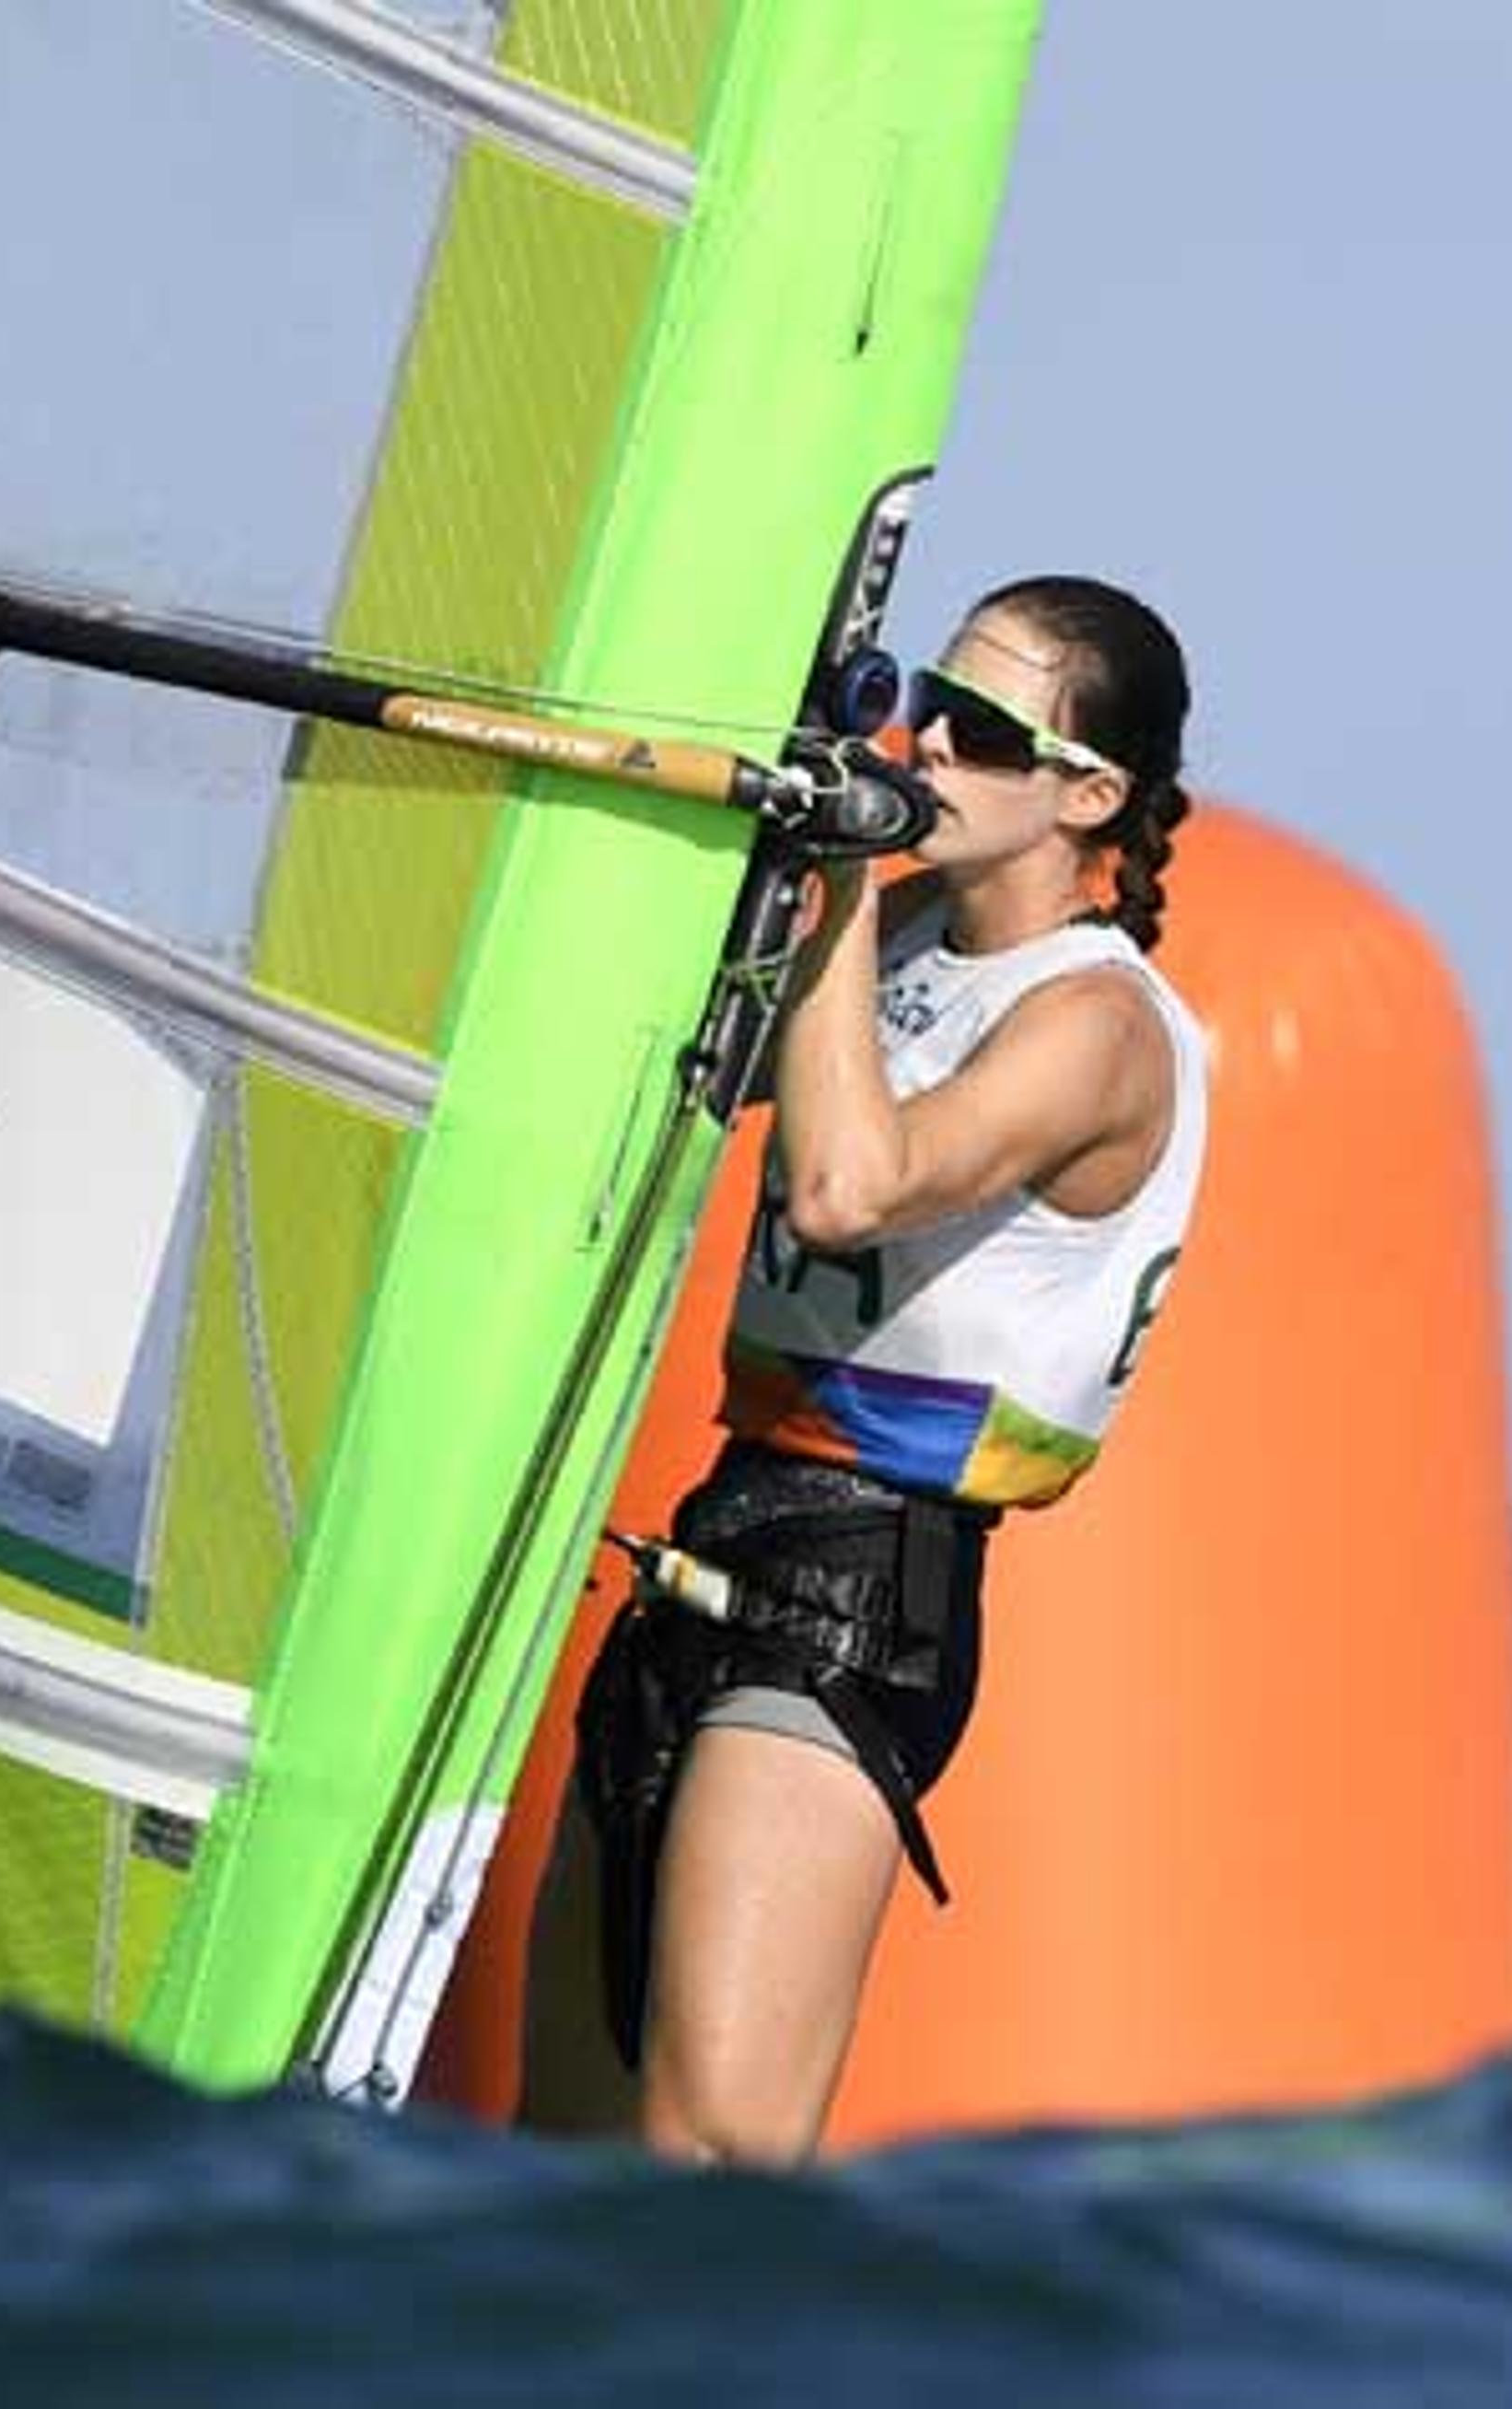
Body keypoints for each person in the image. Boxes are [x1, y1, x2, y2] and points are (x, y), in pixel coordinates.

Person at [518, 575, 1207, 2165]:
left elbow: (847, 1188)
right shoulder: (894, 932)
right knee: (557, 2165)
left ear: (1087, 796)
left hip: (858, 1589)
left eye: (978, 733)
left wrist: (830, 882)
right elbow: (683, 1068)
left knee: (714, 2154)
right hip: (719, 1526)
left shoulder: (1098, 1029)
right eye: (915, 704)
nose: (924, 750)